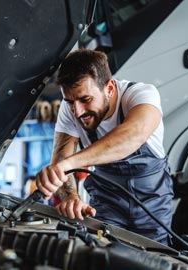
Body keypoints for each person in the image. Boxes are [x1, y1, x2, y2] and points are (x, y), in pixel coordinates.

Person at [35, 49, 174, 244]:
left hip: (151, 206)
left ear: (109, 88)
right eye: (70, 102)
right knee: (101, 254)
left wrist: (67, 165)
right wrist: (70, 198)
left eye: (86, 100)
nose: (77, 112)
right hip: (106, 203)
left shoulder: (141, 94)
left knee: (155, 260)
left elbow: (132, 136)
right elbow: (60, 163)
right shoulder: (71, 110)